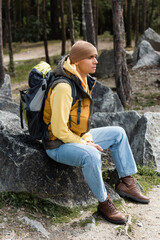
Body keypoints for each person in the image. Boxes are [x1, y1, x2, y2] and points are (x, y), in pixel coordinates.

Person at [43, 40, 149, 225]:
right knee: (92, 155)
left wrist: (87, 137)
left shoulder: (81, 79)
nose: (96, 61)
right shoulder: (63, 87)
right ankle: (104, 202)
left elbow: (81, 123)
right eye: (90, 57)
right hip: (57, 145)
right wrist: (86, 143)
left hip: (74, 137)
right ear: (77, 61)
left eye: (96, 57)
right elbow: (59, 130)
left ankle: (127, 183)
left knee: (118, 133)